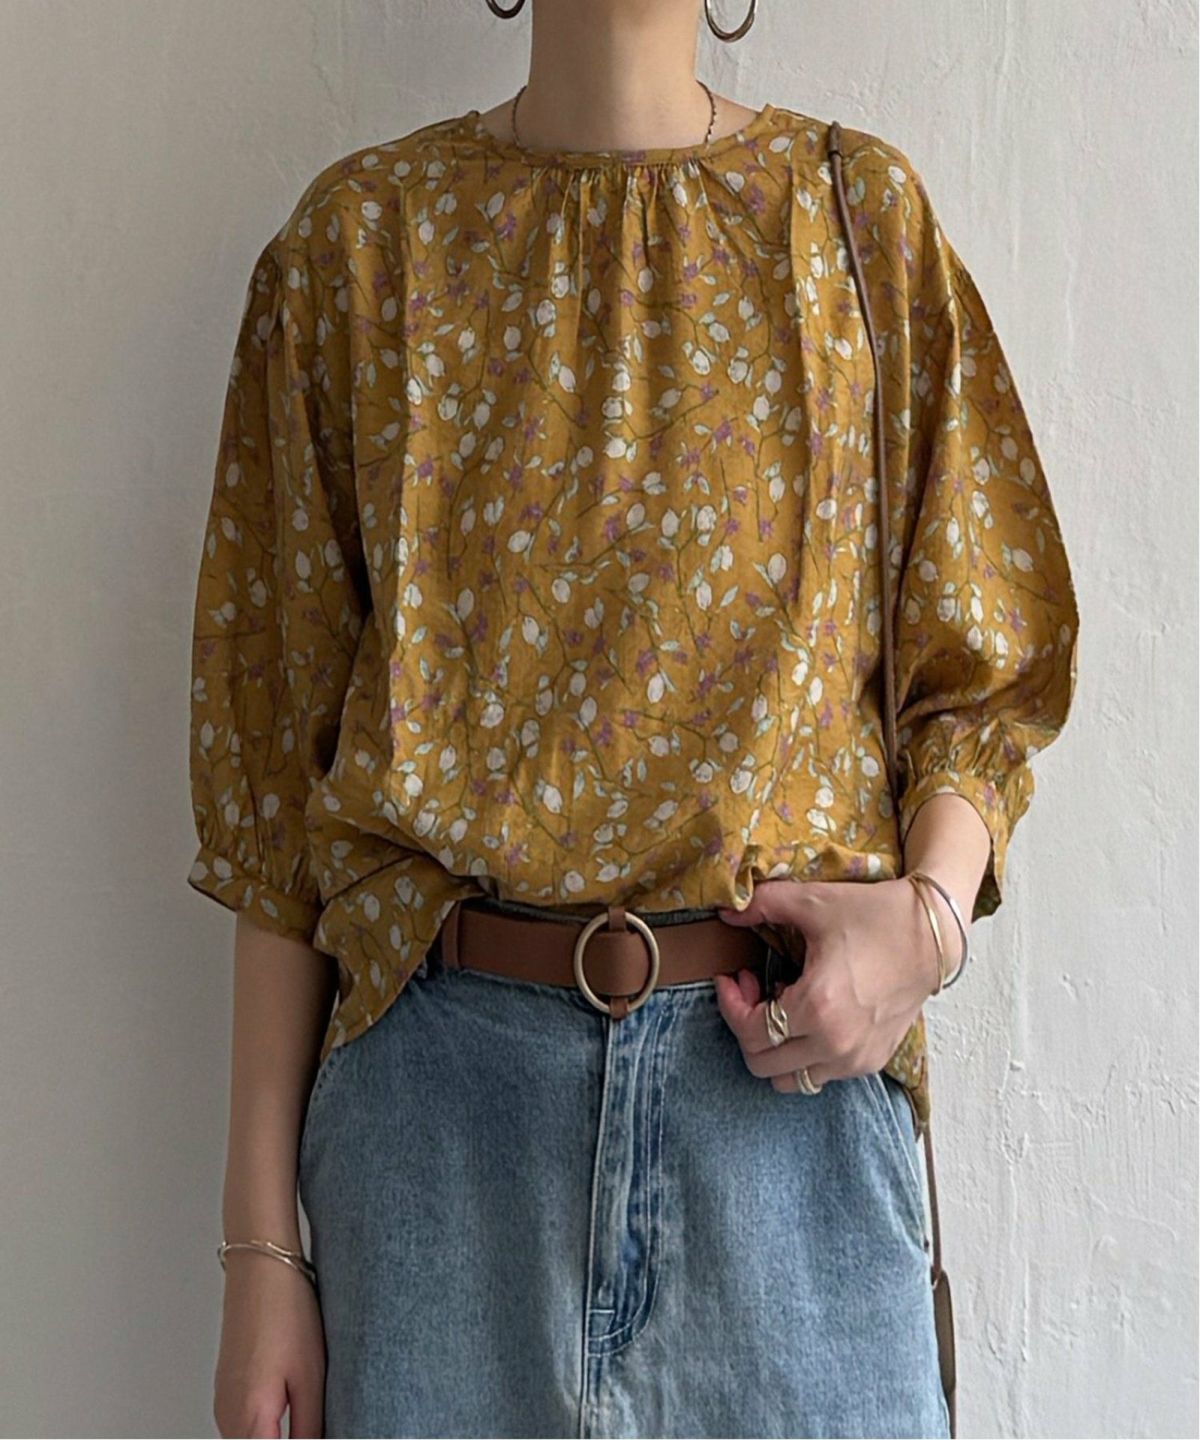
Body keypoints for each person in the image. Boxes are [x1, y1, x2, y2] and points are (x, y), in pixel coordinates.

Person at [187, 2, 1080, 1436]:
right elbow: (274, 802)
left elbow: (982, 672)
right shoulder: (360, 247)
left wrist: (927, 926)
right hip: (437, 1150)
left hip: (786, 1133)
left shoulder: (857, 223)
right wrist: (258, 1255)